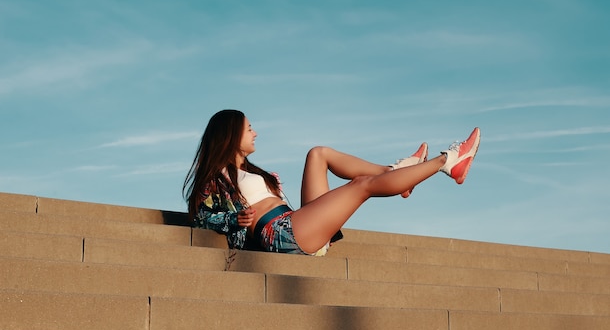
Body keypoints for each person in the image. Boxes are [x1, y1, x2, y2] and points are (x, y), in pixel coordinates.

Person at [183, 109, 480, 256]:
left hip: (295, 222)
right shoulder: (216, 177)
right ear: (231, 135)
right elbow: (199, 218)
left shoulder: (254, 172)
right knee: (361, 186)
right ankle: (447, 161)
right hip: (278, 235)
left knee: (318, 154)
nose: (255, 133)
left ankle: (396, 173)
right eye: (249, 129)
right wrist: (235, 218)